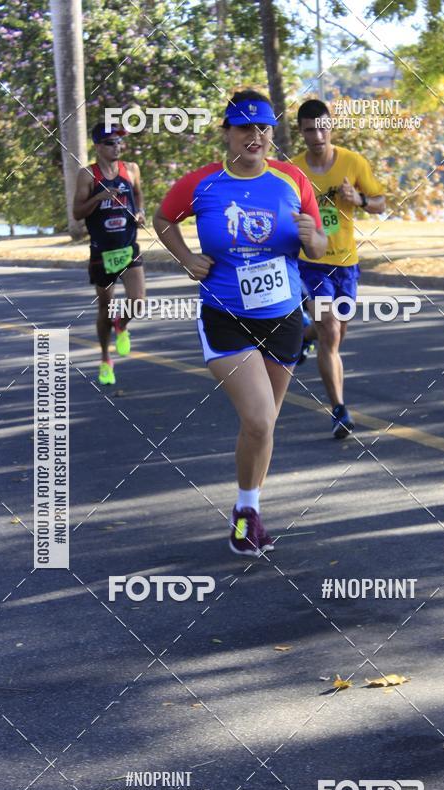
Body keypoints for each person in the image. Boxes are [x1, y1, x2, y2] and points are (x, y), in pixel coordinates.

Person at [153, 89, 326, 556]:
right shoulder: (201, 184)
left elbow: (319, 247)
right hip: (226, 316)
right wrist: (187, 257)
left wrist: (315, 237)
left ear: (273, 133)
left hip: (285, 316)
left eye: (264, 127)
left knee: (263, 427)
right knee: (259, 418)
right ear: (227, 133)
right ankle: (246, 513)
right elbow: (163, 218)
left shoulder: (292, 179)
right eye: (245, 127)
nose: (255, 135)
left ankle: (247, 511)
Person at [291, 99, 386, 438]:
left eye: (321, 127)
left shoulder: (352, 162)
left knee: (336, 332)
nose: (316, 135)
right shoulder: (294, 171)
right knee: (330, 330)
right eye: (308, 129)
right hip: (311, 264)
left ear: (330, 127)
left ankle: (303, 336)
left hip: (346, 263)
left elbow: (380, 203)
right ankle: (339, 410)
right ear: (301, 132)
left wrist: (359, 200)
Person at [72, 122, 146, 385]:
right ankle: (105, 358)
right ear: (98, 146)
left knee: (137, 301)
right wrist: (99, 197)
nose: (117, 147)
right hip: (101, 252)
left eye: (119, 142)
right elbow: (77, 213)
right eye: (110, 143)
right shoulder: (87, 175)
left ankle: (122, 325)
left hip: (128, 246)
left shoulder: (131, 170)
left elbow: (137, 195)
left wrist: (140, 214)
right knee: (105, 307)